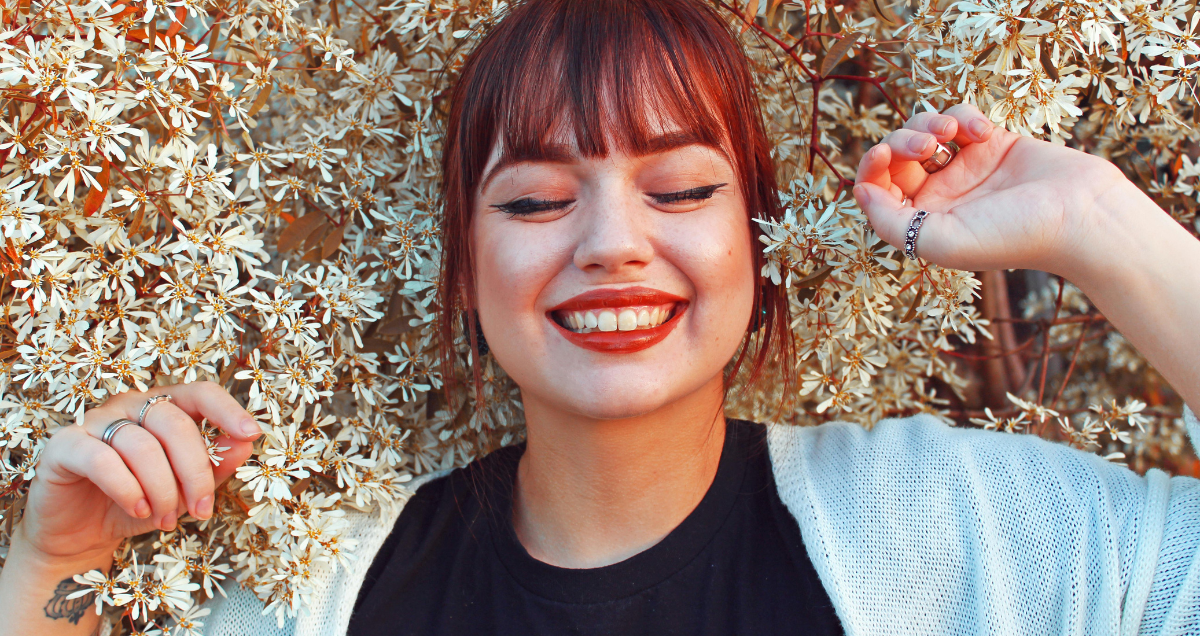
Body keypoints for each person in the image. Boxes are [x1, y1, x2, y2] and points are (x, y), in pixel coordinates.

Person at [3, 0, 1199, 634]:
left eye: (682, 188)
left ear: (761, 250)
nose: (612, 242)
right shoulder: (314, 598)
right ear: (463, 269)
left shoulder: (964, 538)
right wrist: (53, 570)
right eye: (533, 198)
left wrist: (1102, 222)